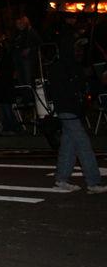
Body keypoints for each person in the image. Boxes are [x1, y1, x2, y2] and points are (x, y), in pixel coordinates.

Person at [46, 30, 107, 194]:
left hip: (75, 111)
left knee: (69, 145)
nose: (80, 50)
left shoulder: (75, 66)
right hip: (67, 111)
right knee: (83, 144)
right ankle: (93, 182)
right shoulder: (58, 67)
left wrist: (101, 81)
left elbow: (87, 89)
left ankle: (61, 179)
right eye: (77, 47)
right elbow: (64, 90)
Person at [11, 16, 42, 106]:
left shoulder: (30, 32)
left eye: (21, 23)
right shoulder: (16, 34)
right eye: (17, 23)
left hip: (27, 58)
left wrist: (30, 49)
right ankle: (25, 99)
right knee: (21, 80)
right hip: (17, 58)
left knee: (28, 79)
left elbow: (39, 42)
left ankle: (31, 99)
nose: (19, 25)